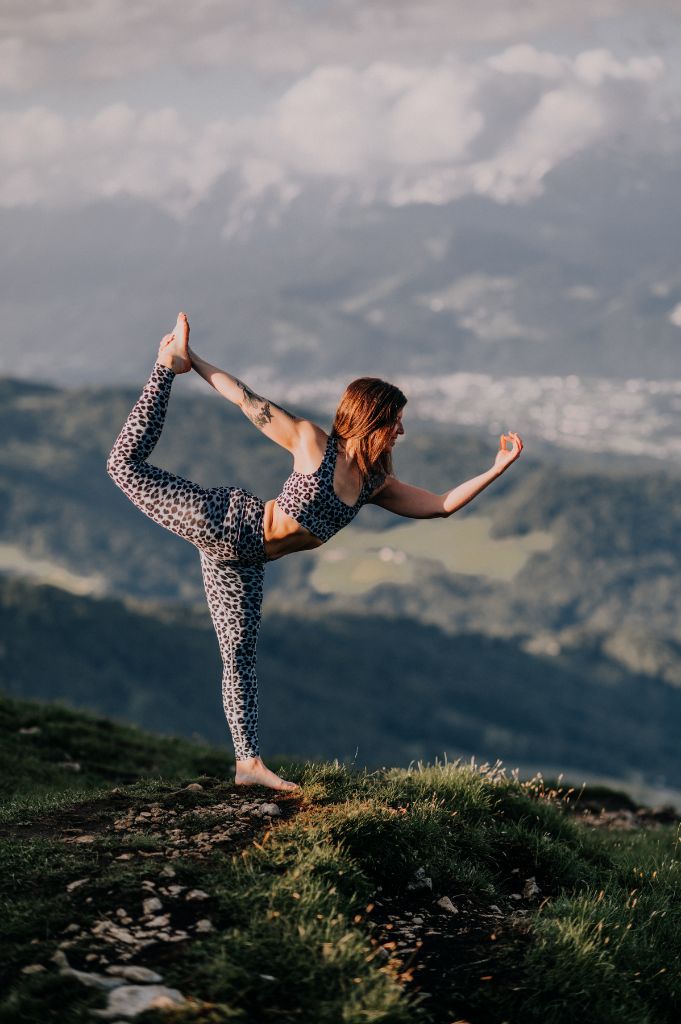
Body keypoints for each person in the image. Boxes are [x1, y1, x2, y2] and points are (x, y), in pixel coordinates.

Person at [107, 312, 523, 791]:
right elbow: (245, 399)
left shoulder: (374, 484)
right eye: (396, 424)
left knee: (239, 657)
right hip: (224, 520)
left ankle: (249, 767)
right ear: (372, 421)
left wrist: (496, 469)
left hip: (242, 561)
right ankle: (164, 367)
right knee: (123, 464)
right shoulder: (311, 444)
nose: (402, 434)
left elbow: (441, 506)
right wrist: (189, 361)